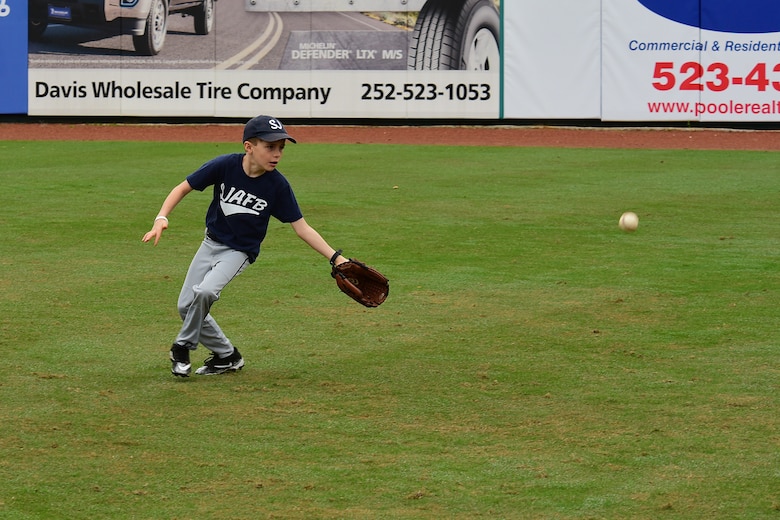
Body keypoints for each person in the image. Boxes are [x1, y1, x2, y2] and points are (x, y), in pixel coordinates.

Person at [142, 115, 347, 377]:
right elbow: (183, 187)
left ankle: (182, 346)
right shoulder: (225, 165)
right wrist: (161, 217)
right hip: (210, 243)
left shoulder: (278, 186)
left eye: (281, 148)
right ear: (249, 147)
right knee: (186, 306)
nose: (277, 154)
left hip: (239, 252)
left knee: (204, 293)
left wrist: (335, 257)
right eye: (270, 146)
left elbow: (302, 228)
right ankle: (227, 355)